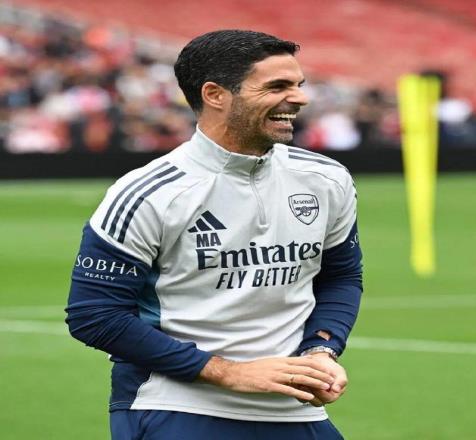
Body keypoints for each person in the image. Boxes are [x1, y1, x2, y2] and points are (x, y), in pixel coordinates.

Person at [66, 29, 363, 440]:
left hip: (294, 411)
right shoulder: (149, 194)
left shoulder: (327, 179)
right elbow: (94, 315)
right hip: (175, 408)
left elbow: (341, 276)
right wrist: (227, 372)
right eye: (277, 86)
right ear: (215, 94)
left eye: (298, 84)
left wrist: (321, 349)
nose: (299, 98)